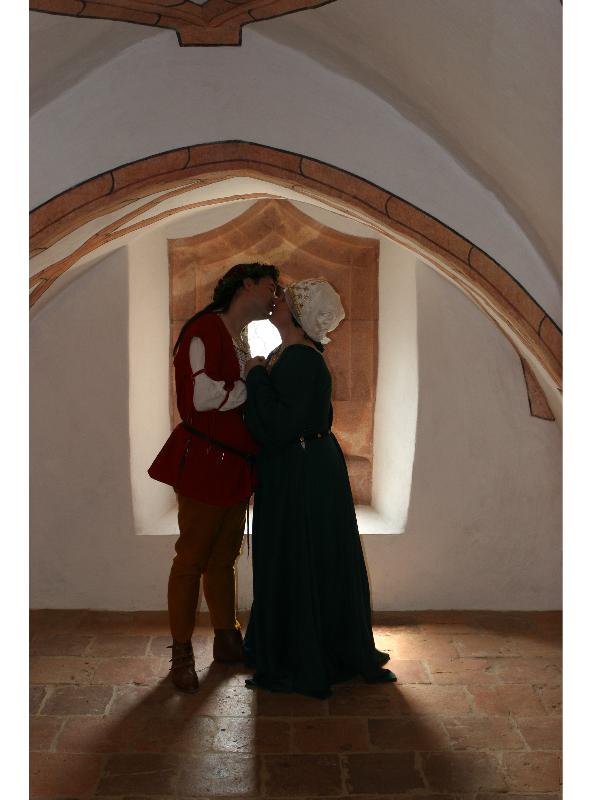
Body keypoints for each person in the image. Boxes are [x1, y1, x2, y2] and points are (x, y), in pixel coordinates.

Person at [242, 278, 396, 698]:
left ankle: (302, 653)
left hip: (301, 469)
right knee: (304, 554)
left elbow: (280, 423)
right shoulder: (292, 353)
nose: (276, 302)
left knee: (300, 553)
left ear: (296, 315)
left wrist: (255, 377)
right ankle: (297, 644)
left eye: (284, 299)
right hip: (304, 464)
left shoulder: (298, 359)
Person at [148, 262, 280, 693]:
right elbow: (202, 397)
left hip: (236, 466)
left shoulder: (238, 337)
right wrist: (252, 384)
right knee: (191, 560)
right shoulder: (203, 329)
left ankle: (227, 638)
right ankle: (181, 653)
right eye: (270, 287)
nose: (275, 296)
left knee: (223, 558)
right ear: (247, 284)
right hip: (205, 462)